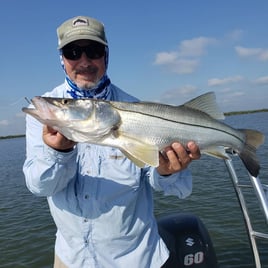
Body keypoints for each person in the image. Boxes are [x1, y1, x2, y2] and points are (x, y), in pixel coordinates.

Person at [23, 16, 200, 268]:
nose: (84, 61)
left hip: (136, 258)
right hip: (71, 259)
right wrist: (57, 153)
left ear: (106, 55)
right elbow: (40, 187)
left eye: (93, 51)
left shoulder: (137, 109)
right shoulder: (46, 111)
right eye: (73, 52)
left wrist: (167, 171)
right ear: (62, 59)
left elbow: (171, 187)